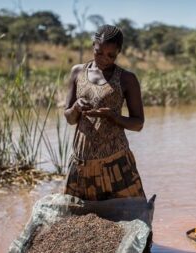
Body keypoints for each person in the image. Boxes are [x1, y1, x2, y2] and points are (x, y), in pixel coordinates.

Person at [63, 24, 146, 201]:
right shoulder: (78, 72)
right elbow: (69, 118)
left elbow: (138, 124)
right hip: (82, 163)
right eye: (99, 52)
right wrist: (76, 107)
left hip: (116, 164)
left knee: (129, 216)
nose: (104, 59)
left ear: (119, 53)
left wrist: (113, 116)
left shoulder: (126, 79)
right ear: (93, 46)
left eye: (111, 55)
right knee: (78, 220)